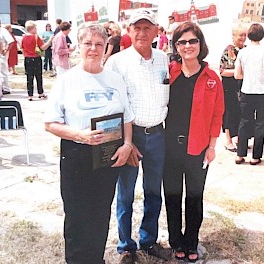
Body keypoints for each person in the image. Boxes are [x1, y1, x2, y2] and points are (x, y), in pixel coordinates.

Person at [44, 22, 134, 264]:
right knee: (76, 215)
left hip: (108, 156)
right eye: (88, 44)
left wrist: (127, 144)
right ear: (78, 46)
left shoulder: (115, 79)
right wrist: (79, 135)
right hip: (77, 154)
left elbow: (126, 116)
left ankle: (96, 259)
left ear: (106, 47)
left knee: (100, 212)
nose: (93, 49)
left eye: (99, 44)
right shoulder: (67, 80)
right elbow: (50, 123)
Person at [104, 8, 172, 263]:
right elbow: (112, 107)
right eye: (137, 28)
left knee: (154, 191)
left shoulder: (164, 59)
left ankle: (148, 240)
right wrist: (125, 142)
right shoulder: (116, 63)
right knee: (125, 194)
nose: (142, 33)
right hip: (128, 139)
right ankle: (126, 246)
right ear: (129, 31)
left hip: (157, 135)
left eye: (147, 28)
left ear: (156, 31)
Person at [165, 21, 224, 262]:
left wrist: (211, 146)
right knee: (172, 195)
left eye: (193, 41)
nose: (188, 46)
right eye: (182, 42)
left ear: (200, 44)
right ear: (176, 46)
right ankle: (175, 241)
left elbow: (217, 115)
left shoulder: (212, 78)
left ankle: (191, 242)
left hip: (198, 148)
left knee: (194, 197)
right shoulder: (169, 73)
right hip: (169, 147)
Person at [234, 23, 264, 165]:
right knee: (260, 124)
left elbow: (237, 75)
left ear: (248, 35)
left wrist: (248, 76)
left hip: (247, 90)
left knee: (244, 122)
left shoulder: (242, 52)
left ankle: (240, 154)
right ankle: (255, 156)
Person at [219, 24, 247, 152]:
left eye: (245, 35)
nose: (243, 38)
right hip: (229, 86)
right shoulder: (229, 50)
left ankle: (239, 138)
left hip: (242, 86)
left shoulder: (246, 49)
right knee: (229, 113)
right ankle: (228, 140)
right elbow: (223, 71)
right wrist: (240, 72)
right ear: (234, 36)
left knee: (241, 112)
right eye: (240, 35)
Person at [20, 20, 52, 101]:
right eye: (35, 28)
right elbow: (43, 47)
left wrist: (25, 55)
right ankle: (40, 93)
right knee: (38, 76)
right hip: (36, 57)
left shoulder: (24, 37)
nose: (36, 29)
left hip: (27, 58)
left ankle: (30, 95)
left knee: (29, 77)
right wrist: (50, 40)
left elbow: (22, 48)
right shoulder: (36, 37)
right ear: (32, 28)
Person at [0, 18, 15, 95]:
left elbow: (11, 42)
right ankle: (0, 87)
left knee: (3, 71)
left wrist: (6, 50)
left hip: (3, 53)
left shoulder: (3, 31)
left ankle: (6, 88)